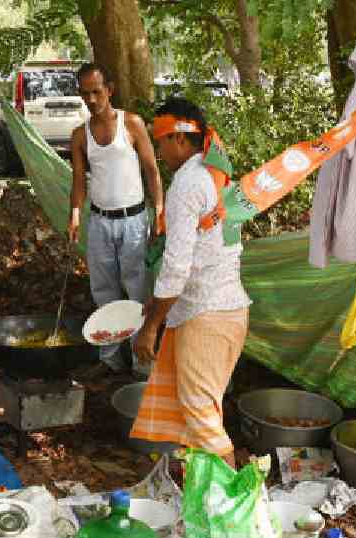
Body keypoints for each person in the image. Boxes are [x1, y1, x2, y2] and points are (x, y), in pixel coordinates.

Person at [129, 98, 251, 468]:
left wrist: (151, 328)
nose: (157, 151)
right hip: (225, 309)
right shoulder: (213, 173)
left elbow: (177, 266)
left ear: (180, 140)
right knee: (200, 413)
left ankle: (234, 507)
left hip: (207, 314)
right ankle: (207, 501)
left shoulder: (186, 184)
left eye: (160, 141)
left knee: (201, 418)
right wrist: (157, 302)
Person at [69, 63, 164, 379]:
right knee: (103, 291)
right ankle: (110, 358)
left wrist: (159, 208)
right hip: (99, 222)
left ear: (109, 89)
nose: (92, 99)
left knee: (137, 289)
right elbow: (79, 181)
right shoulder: (80, 135)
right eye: (86, 94)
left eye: (97, 92)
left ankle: (140, 361)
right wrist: (75, 213)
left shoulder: (132, 124)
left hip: (134, 219)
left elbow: (151, 169)